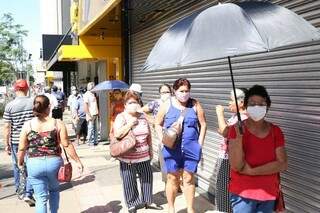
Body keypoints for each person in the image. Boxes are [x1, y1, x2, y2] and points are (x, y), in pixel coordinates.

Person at [17, 95, 84, 213]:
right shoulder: (57, 123)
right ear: (48, 107)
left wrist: (20, 162)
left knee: (40, 197)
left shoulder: (28, 125)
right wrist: (77, 161)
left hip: (34, 164)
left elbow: (22, 148)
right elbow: (66, 144)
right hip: (54, 163)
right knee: (54, 191)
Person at [228, 85, 288, 213]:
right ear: (246, 105)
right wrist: (239, 138)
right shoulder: (235, 129)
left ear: (267, 106)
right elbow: (236, 166)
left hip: (268, 194)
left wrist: (252, 171)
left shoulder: (275, 131)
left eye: (261, 104)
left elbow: (282, 164)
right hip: (242, 194)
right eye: (252, 103)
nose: (257, 107)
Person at [155, 78, 207, 213]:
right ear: (174, 91)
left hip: (191, 148)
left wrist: (199, 144)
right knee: (172, 178)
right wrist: (161, 140)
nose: (184, 93)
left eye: (187, 91)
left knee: (189, 178)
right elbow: (157, 123)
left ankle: (190, 209)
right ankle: (171, 208)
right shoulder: (167, 104)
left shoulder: (195, 104)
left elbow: (203, 124)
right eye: (181, 91)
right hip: (171, 149)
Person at [113, 91, 161, 213]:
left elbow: (150, 133)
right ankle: (132, 203)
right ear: (125, 105)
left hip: (144, 155)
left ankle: (148, 201)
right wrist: (130, 124)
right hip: (127, 157)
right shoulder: (121, 117)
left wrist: (151, 151)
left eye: (136, 102)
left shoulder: (143, 116)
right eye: (130, 102)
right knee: (129, 181)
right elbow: (117, 134)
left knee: (147, 178)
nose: (133, 104)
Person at [215, 88, 248, 213]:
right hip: (227, 157)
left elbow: (225, 132)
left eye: (231, 100)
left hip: (230, 160)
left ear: (241, 102)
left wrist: (219, 114)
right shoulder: (237, 117)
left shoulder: (243, 119)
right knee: (224, 190)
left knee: (225, 191)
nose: (228, 103)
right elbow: (227, 132)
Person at [3, 79, 35, 206]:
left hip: (16, 141)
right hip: (32, 139)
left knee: (18, 166)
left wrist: (6, 143)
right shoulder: (33, 102)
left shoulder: (9, 106)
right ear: (27, 89)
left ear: (16, 90)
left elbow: (7, 127)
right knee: (31, 165)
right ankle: (29, 192)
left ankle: (19, 191)